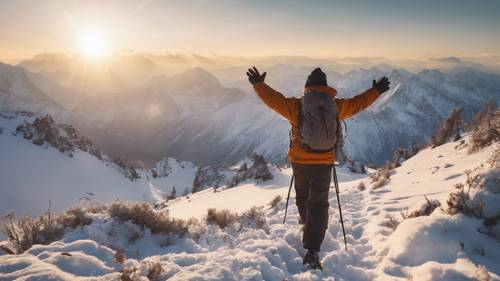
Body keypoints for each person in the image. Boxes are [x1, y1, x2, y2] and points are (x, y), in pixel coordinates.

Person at [246, 66, 390, 270]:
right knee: (319, 204)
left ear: (307, 87)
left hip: (300, 161)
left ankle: (306, 222)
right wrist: (376, 91)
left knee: (302, 195)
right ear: (325, 86)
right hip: (324, 162)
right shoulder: (337, 106)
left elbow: (273, 100)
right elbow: (359, 103)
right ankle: (313, 251)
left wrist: (259, 85)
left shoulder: (296, 106)